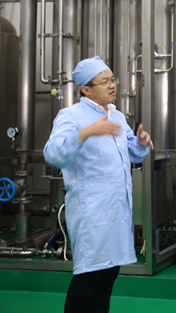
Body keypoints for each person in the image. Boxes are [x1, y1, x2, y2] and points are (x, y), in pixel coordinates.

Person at [44, 56, 154, 313]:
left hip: (117, 213)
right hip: (91, 215)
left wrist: (140, 143)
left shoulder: (117, 115)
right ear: (86, 89)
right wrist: (86, 132)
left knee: (106, 282)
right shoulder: (71, 116)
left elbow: (132, 153)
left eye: (113, 79)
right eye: (104, 82)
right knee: (87, 285)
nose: (112, 85)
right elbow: (53, 154)